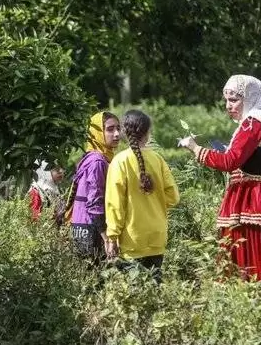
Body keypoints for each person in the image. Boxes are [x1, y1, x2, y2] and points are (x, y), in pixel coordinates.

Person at [178, 74, 261, 280]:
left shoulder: (252, 124)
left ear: (249, 98)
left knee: (251, 251)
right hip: (257, 195)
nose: (228, 105)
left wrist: (195, 148)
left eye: (234, 100)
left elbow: (229, 162)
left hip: (254, 198)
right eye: (226, 100)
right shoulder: (258, 122)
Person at [105, 109, 180, 283]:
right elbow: (174, 197)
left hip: (132, 240)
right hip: (156, 236)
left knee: (135, 295)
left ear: (124, 131)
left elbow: (115, 204)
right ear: (147, 133)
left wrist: (112, 236)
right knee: (155, 289)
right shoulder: (158, 159)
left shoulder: (119, 161)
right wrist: (155, 202)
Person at [66, 111, 121, 263]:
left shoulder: (90, 157)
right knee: (96, 278)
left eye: (118, 128)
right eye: (110, 129)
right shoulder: (98, 161)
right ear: (97, 132)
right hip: (92, 229)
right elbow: (94, 202)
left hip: (80, 226)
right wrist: (107, 238)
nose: (116, 134)